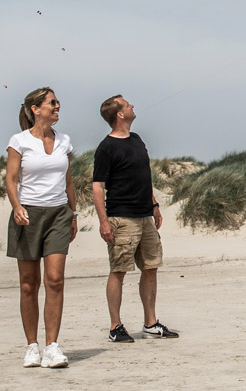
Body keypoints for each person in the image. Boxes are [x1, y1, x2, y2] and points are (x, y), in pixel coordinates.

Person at [93, 95, 179, 343]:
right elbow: (98, 186)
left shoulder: (137, 140)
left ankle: (150, 323)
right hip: (121, 216)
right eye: (127, 104)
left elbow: (145, 176)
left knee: (151, 266)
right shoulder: (106, 147)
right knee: (119, 270)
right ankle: (115, 326)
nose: (132, 105)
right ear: (119, 114)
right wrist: (103, 221)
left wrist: (153, 204)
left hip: (145, 215)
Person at [6, 86, 77, 369]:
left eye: (57, 102)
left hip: (59, 213)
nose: (57, 106)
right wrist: (17, 207)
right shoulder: (20, 141)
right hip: (28, 215)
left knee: (55, 280)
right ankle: (32, 346)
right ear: (36, 109)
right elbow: (11, 179)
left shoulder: (65, 141)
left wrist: (74, 214)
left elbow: (69, 182)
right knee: (28, 285)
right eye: (52, 103)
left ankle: (52, 347)